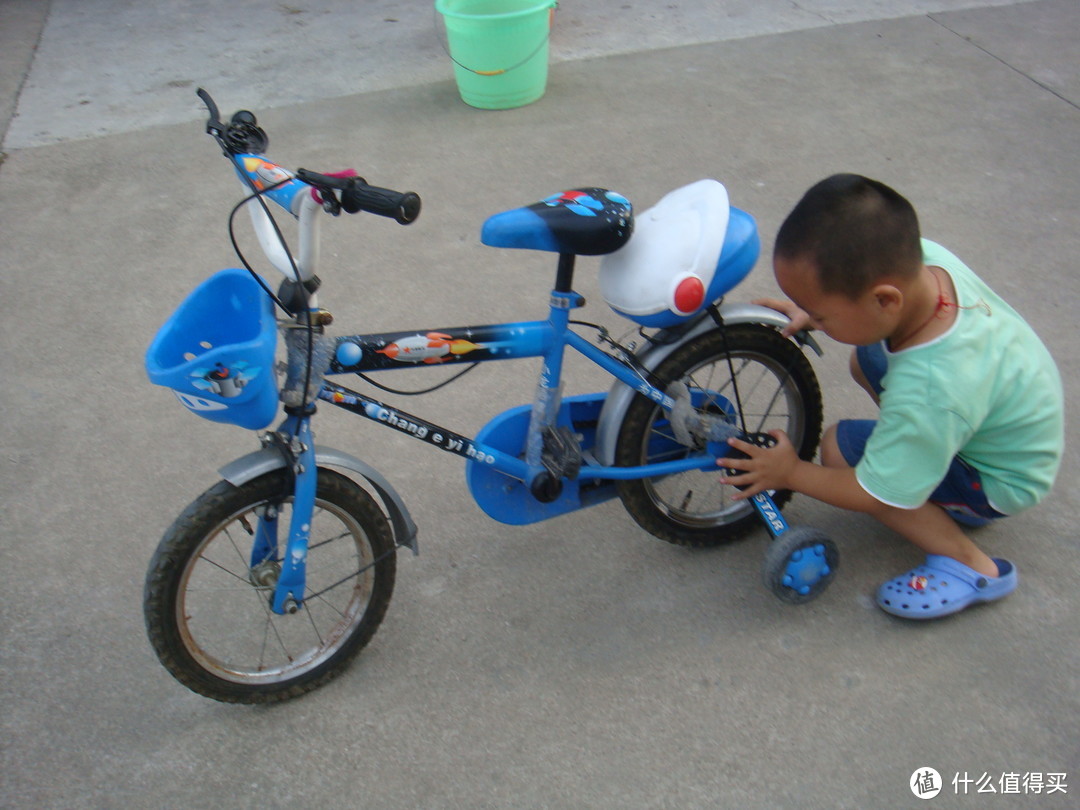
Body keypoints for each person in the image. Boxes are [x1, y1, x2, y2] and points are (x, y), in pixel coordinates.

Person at [720, 174, 1063, 619]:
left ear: (885, 299)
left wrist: (791, 472)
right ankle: (917, 449)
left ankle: (971, 566)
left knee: (839, 452)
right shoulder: (923, 263)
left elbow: (871, 494)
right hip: (1000, 412)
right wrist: (817, 309)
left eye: (821, 313)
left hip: (997, 481)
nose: (814, 320)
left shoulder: (935, 386)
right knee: (869, 355)